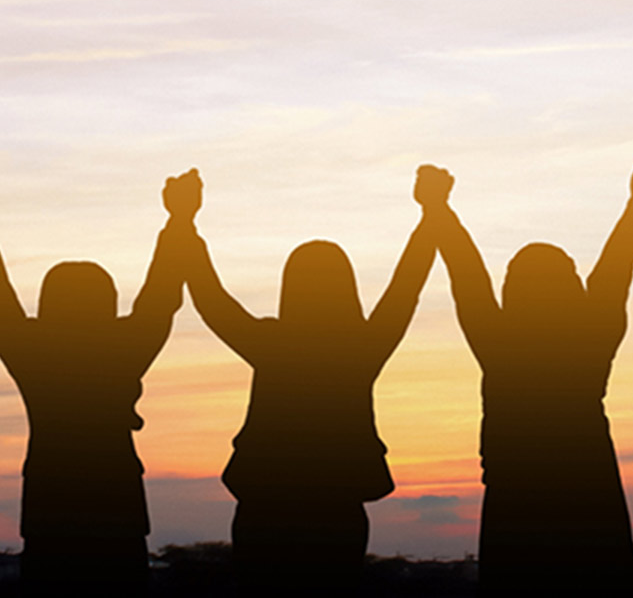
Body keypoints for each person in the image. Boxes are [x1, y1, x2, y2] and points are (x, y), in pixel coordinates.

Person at [182, 165, 440, 596]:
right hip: (336, 507)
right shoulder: (362, 346)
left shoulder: (272, 343)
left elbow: (210, 298)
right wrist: (432, 215)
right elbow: (406, 286)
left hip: (266, 506)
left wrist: (184, 224)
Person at [423, 155, 633, 597]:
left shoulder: (499, 343)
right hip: (591, 503)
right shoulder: (591, 338)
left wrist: (439, 209)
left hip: (516, 509)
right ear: (573, 288)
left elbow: (466, 273)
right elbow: (617, 265)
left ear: (513, 291)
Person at [0, 167, 199, 595]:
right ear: (108, 305)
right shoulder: (124, 348)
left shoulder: (32, 351)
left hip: (51, 512)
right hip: (116, 511)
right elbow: (161, 296)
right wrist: (179, 220)